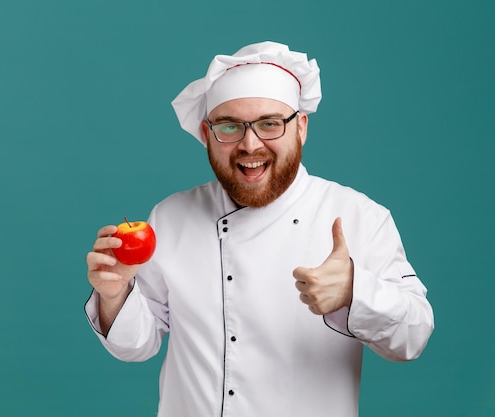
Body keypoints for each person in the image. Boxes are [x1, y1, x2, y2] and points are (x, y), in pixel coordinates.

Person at [85, 41, 434, 417]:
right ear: (207, 133)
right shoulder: (170, 217)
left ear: (300, 128)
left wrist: (355, 291)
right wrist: (114, 294)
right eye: (230, 126)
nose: (250, 144)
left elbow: (411, 338)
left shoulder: (359, 216)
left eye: (270, 124)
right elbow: (136, 345)